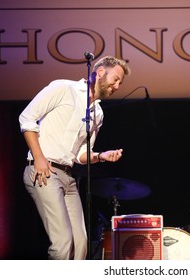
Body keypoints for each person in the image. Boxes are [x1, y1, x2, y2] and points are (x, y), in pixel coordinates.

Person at [19, 56, 131, 260]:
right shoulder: (64, 89)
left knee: (81, 244)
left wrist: (101, 156)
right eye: (115, 79)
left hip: (68, 177)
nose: (116, 86)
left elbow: (80, 154)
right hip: (45, 171)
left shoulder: (98, 113)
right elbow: (26, 118)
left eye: (120, 83)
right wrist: (39, 157)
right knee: (63, 243)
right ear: (100, 72)